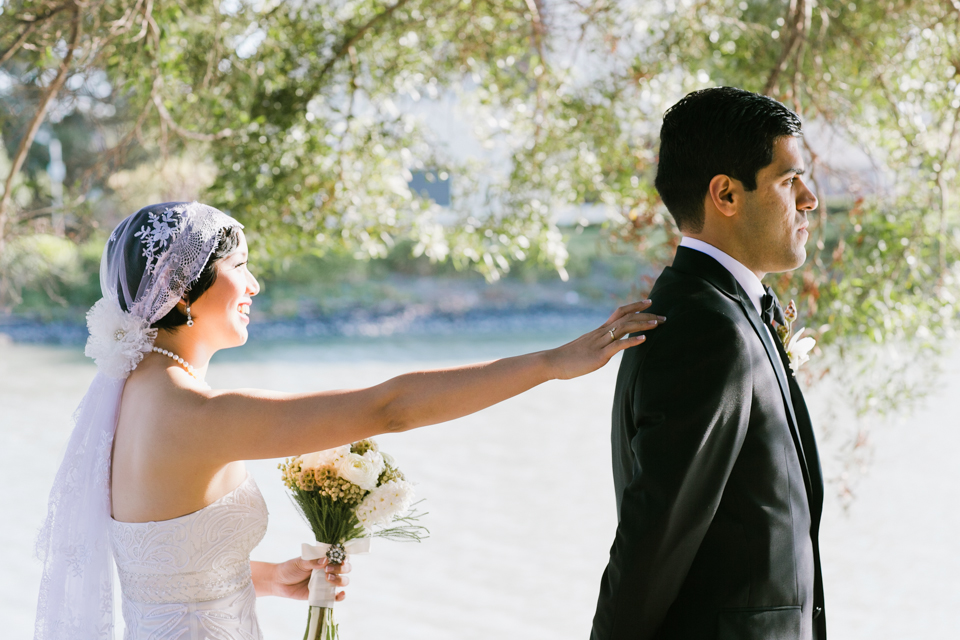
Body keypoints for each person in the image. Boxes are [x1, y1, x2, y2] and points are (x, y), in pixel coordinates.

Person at [34, 201, 664, 640]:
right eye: (239, 268)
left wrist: (269, 576)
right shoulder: (197, 412)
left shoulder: (129, 396)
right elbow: (387, 408)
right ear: (180, 292)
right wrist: (553, 361)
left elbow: (155, 566)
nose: (253, 284)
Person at [590, 87, 826, 640]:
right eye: (789, 180)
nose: (810, 199)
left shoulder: (727, 309)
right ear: (725, 194)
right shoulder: (706, 329)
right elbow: (654, 543)